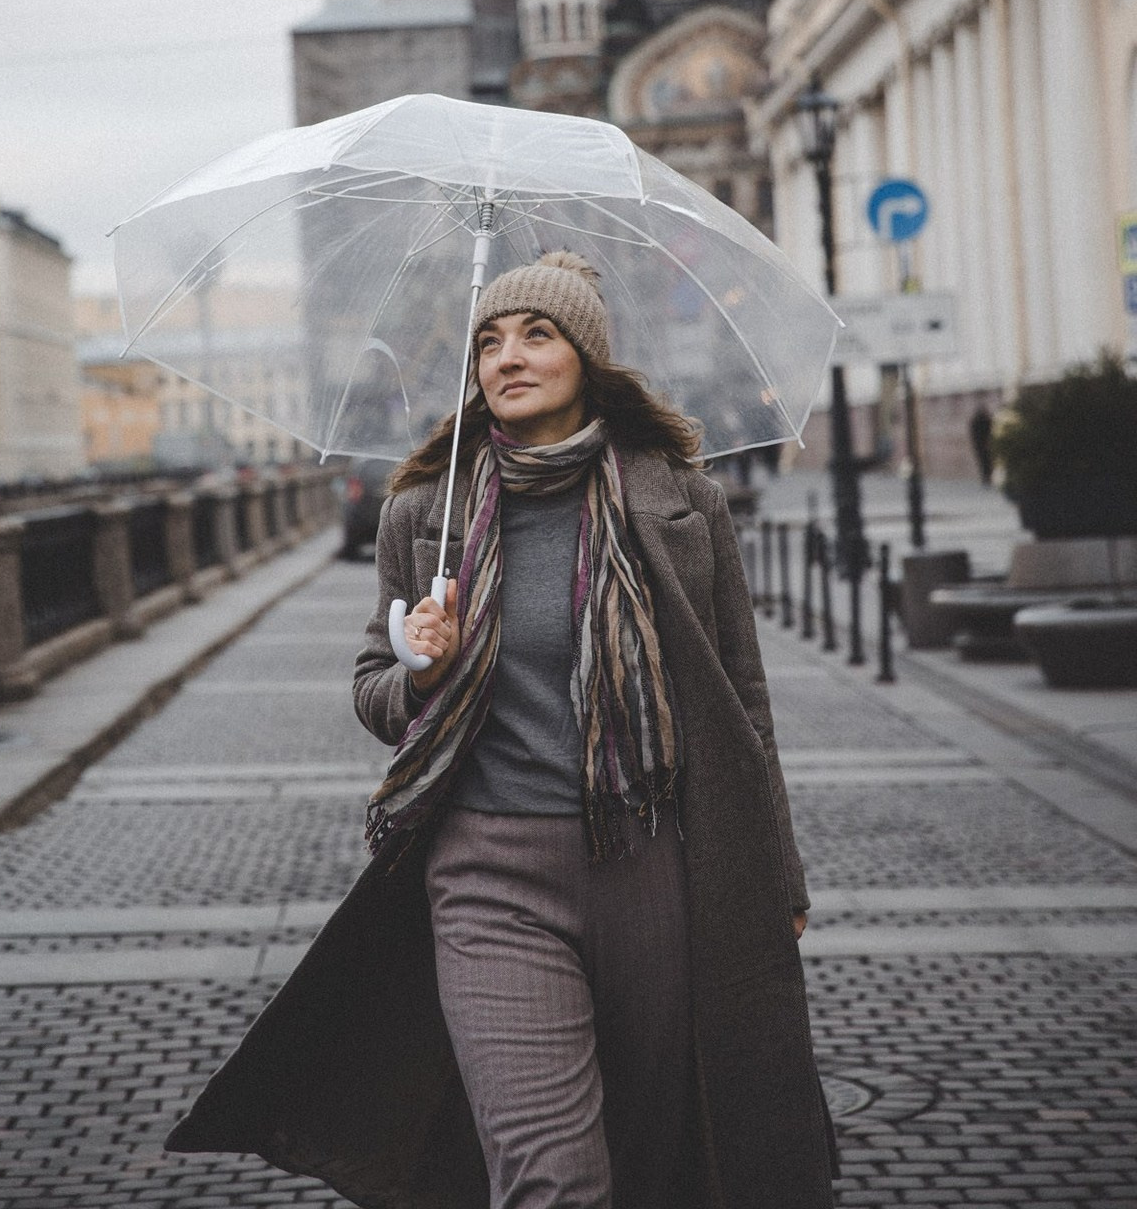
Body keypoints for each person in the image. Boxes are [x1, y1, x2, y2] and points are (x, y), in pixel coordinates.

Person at [164, 250, 838, 1209]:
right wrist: (420, 671)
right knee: (551, 1175)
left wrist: (778, 874)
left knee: (657, 1161)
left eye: (536, 334)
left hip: (648, 864)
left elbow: (742, 702)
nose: (507, 357)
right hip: (487, 873)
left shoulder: (680, 502)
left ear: (586, 360)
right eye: (488, 341)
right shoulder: (424, 516)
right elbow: (373, 691)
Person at [969, 402, 994, 486]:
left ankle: (986, 478)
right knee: (986, 462)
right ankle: (987, 478)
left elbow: (973, 434)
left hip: (980, 445)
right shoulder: (986, 420)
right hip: (984, 444)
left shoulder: (976, 421)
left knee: (984, 462)